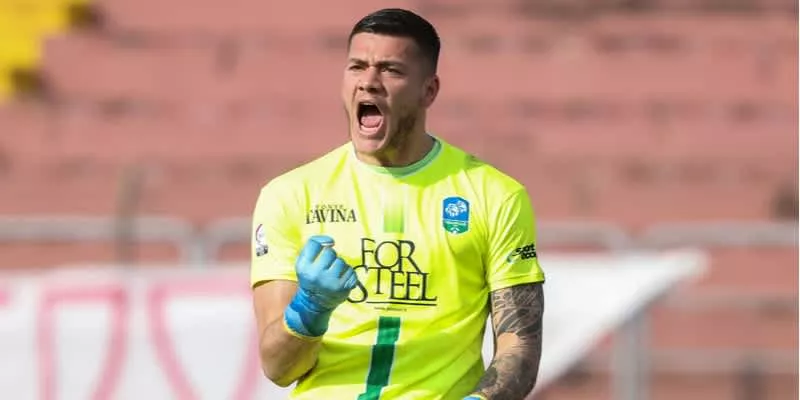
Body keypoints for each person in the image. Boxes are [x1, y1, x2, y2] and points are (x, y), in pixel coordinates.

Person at [250, 8, 545, 400]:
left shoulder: (495, 195)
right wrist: (310, 308)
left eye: (390, 70)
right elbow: (278, 368)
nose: (369, 82)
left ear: (429, 91)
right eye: (357, 67)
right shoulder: (290, 194)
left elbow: (519, 347)